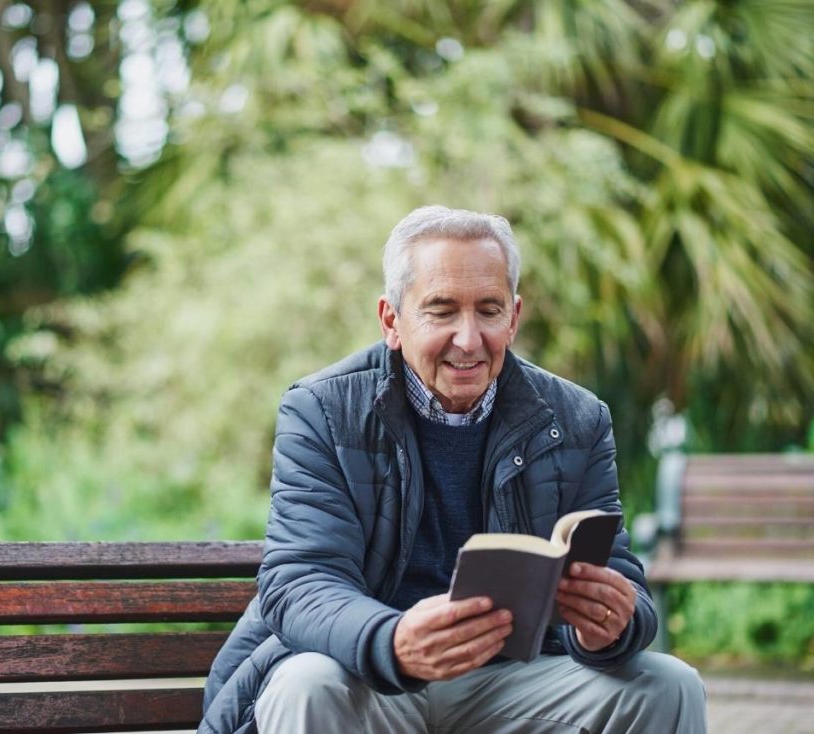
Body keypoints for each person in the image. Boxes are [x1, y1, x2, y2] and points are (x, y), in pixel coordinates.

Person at [198, 206, 706, 733]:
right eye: (441, 311)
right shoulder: (321, 410)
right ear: (392, 320)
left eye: (489, 310)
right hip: (371, 675)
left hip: (513, 680)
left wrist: (610, 625)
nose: (469, 339)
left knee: (669, 685)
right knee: (307, 685)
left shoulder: (578, 418)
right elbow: (299, 582)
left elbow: (621, 576)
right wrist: (392, 642)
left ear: (513, 317)